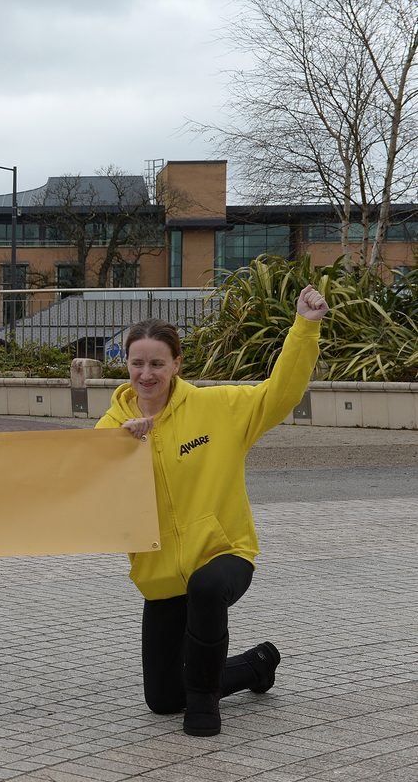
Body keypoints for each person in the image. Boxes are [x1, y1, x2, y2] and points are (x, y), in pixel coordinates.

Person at [98, 285, 329, 736]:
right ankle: (255, 665)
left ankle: (205, 705)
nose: (146, 374)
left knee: (206, 589)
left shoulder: (216, 408)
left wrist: (305, 327)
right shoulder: (109, 430)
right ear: (126, 365)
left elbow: (280, 393)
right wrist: (119, 450)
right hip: (163, 576)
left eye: (157, 363)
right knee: (163, 700)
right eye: (137, 363)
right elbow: (88, 496)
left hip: (225, 553)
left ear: (177, 365)